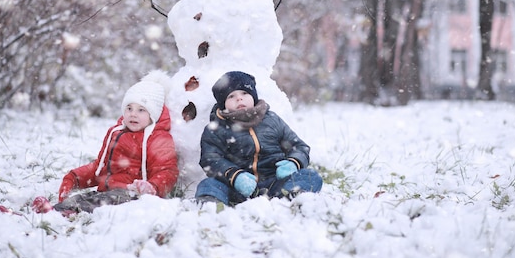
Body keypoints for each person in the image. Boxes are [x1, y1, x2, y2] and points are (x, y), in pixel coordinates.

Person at [33, 74, 179, 214]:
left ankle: (64, 213)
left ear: (153, 114)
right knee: (83, 198)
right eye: (129, 108)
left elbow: (167, 171)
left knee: (101, 201)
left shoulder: (159, 138)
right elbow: (101, 168)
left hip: (134, 196)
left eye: (141, 110)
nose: (133, 114)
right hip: (106, 192)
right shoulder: (116, 133)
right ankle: (54, 211)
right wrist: (75, 177)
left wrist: (152, 186)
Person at [195, 71, 322, 206]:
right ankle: (211, 204)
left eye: (244, 93)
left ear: (253, 96)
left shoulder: (272, 121)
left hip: (274, 182)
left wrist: (293, 162)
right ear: (223, 104)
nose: (239, 98)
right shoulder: (217, 128)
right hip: (237, 187)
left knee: (310, 176)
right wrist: (235, 176)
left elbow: (298, 146)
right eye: (231, 96)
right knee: (208, 184)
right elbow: (210, 159)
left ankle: (291, 197)